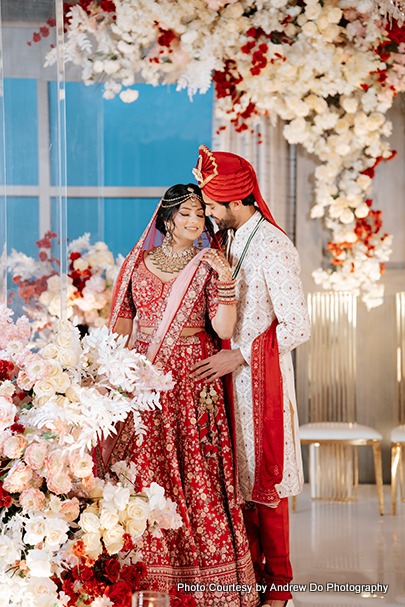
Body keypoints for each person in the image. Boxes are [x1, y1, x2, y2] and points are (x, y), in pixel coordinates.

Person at [97, 183, 260, 607]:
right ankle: (145, 575)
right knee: (149, 470)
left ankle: (209, 578)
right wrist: (114, 377)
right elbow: (121, 327)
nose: (194, 222)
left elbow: (223, 331)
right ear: (167, 218)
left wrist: (225, 278)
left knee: (197, 470)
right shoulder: (139, 262)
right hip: (147, 378)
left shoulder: (210, 263)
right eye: (186, 214)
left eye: (200, 215)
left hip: (192, 378)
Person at [191, 147, 311, 607]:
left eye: (212, 206)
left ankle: (279, 590)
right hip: (225, 381)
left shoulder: (274, 246)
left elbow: (297, 327)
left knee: (267, 487)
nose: (206, 215)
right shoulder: (229, 240)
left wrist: (238, 356)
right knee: (236, 487)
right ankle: (249, 583)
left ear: (236, 201)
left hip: (259, 384)